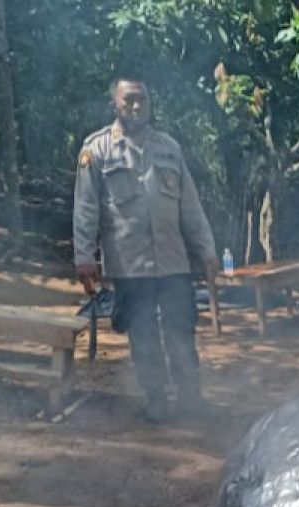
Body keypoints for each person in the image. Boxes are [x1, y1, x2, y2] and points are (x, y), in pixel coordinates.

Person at [73, 77, 217, 422]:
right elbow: (86, 207)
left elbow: (190, 207)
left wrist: (207, 251)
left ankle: (190, 400)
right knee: (144, 338)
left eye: (143, 100)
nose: (137, 107)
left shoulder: (169, 149)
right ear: (115, 104)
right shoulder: (97, 150)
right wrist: (84, 257)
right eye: (129, 101)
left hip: (172, 261)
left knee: (181, 331)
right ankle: (156, 402)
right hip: (129, 263)